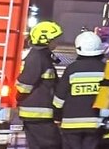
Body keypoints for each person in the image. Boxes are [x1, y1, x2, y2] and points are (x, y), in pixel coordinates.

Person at [54, 31, 107, 149]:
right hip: (96, 124)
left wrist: (57, 115)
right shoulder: (105, 69)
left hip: (71, 125)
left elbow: (59, 98)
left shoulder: (72, 69)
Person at [18, 21, 64, 149]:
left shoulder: (42, 56)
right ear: (45, 40)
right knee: (51, 145)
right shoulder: (37, 57)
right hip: (38, 114)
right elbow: (23, 85)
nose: (57, 42)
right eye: (54, 39)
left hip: (39, 114)